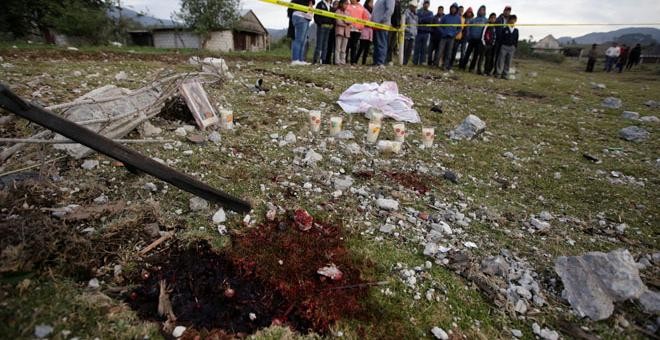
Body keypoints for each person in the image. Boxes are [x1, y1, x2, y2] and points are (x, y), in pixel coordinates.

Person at [460, 5, 487, 72]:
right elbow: (468, 28)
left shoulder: (486, 20)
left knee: (475, 55)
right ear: (478, 11)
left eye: (483, 10)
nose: (481, 11)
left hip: (479, 40)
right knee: (467, 53)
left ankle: (471, 68)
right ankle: (463, 66)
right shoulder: (473, 20)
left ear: (484, 11)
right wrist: (469, 36)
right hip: (471, 39)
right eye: (480, 10)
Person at [290, 0, 316, 65]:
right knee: (299, 39)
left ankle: (300, 60)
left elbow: (313, 2)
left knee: (303, 41)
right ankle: (295, 59)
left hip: (306, 17)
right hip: (300, 16)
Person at [436, 3, 461, 70]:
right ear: (450, 8)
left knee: (449, 53)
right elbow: (439, 26)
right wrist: (443, 32)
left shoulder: (458, 18)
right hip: (444, 37)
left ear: (456, 9)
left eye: (454, 8)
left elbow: (459, 28)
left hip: (451, 38)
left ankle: (445, 65)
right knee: (440, 51)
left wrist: (454, 34)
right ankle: (436, 64)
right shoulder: (445, 17)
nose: (453, 9)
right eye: (452, 8)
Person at [371, 0, 396, 66]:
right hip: (376, 24)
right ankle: (376, 62)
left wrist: (382, 20)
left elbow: (390, 10)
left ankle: (380, 62)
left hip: (382, 24)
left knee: (381, 43)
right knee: (376, 44)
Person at [494, 14, 518, 79]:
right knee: (501, 60)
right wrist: (501, 45)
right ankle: (498, 73)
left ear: (515, 20)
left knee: (508, 61)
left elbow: (516, 40)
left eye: (514, 19)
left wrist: (514, 47)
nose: (512, 21)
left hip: (511, 48)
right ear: (509, 20)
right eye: (511, 19)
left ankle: (505, 74)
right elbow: (501, 38)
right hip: (504, 47)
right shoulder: (505, 29)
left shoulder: (516, 30)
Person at [346, 0, 369, 64]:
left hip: (357, 29)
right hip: (349, 28)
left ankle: (353, 61)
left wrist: (362, 25)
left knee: (354, 45)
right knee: (347, 45)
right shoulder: (347, 6)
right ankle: (345, 60)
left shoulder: (361, 7)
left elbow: (366, 17)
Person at [313, 0, 334, 64]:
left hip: (328, 27)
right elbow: (316, 15)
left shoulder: (331, 6)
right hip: (321, 27)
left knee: (325, 45)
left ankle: (323, 60)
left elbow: (333, 16)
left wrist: (332, 24)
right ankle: (316, 59)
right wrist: (320, 23)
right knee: (319, 44)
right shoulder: (320, 4)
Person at [412, 0, 433, 65]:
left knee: (424, 48)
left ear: (429, 5)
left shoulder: (430, 12)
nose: (426, 5)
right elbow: (417, 19)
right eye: (425, 3)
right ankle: (415, 61)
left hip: (426, 33)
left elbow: (430, 19)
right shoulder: (418, 11)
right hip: (418, 32)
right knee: (417, 47)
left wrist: (422, 19)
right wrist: (423, 20)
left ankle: (422, 62)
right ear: (423, 4)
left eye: (427, 4)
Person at [355, 0, 374, 65]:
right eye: (371, 2)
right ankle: (355, 60)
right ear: (367, 3)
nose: (372, 4)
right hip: (364, 30)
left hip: (370, 32)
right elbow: (362, 20)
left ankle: (364, 62)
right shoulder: (364, 10)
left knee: (367, 48)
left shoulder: (372, 11)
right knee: (361, 47)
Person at [334, 0, 351, 65]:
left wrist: (345, 21)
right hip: (339, 31)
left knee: (344, 48)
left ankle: (343, 61)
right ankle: (337, 61)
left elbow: (351, 21)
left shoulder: (348, 12)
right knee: (338, 47)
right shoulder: (337, 11)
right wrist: (346, 23)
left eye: (347, 4)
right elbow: (338, 22)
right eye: (345, 4)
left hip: (346, 32)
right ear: (341, 4)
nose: (346, 5)